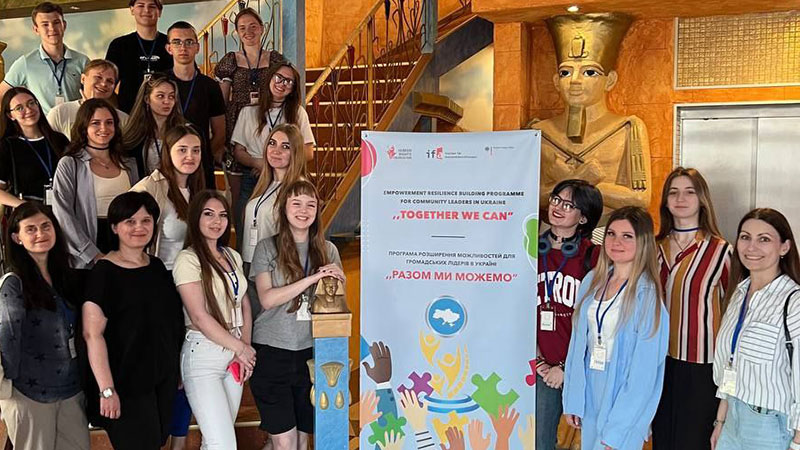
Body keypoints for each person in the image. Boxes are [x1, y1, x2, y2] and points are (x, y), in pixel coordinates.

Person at [82, 191, 184, 450]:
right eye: (130, 221)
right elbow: (92, 335)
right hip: (125, 384)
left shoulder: (157, 267)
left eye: (146, 220)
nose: (139, 227)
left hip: (161, 378)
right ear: (115, 227)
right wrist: (106, 390)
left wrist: (177, 369)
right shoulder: (104, 272)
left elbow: (169, 322)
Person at [563, 206, 669, 450]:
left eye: (627, 236)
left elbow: (644, 375)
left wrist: (618, 431)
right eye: (611, 234)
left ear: (642, 242)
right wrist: (573, 398)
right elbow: (577, 345)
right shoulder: (592, 281)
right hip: (590, 385)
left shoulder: (647, 295)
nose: (616, 242)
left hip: (622, 392)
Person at [251, 180, 345, 450]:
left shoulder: (328, 250)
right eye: (296, 203)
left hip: (313, 353)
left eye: (310, 205)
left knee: (303, 441)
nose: (303, 211)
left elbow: (336, 301)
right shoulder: (267, 248)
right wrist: (311, 279)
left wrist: (338, 281)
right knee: (285, 442)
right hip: (273, 351)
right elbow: (267, 299)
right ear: (284, 208)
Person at [130, 123, 203, 450]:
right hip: (160, 288)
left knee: (186, 370)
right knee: (164, 368)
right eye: (182, 150)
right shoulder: (151, 187)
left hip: (192, 286)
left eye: (196, 150)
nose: (189, 156)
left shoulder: (198, 189)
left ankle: (179, 442)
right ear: (167, 153)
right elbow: (128, 229)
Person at [652, 167, 732, 450]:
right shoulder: (653, 248)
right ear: (665, 201)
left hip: (701, 365)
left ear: (702, 199)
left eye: (689, 192)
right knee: (662, 439)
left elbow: (734, 309)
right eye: (673, 192)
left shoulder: (721, 251)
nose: (680, 199)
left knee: (693, 442)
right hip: (657, 362)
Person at [0, 202, 89, 450]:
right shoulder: (13, 283)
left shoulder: (66, 277)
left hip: (71, 389)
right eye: (31, 229)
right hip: (29, 393)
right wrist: (10, 388)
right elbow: (7, 339)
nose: (40, 233)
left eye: (46, 226)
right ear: (17, 238)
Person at [711, 208, 800, 450]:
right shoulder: (738, 294)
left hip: (770, 427)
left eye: (764, 239)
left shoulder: (793, 302)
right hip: (732, 419)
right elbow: (731, 363)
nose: (751, 247)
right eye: (745, 237)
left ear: (784, 247)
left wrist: (797, 442)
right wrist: (721, 421)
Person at [173, 190, 255, 449]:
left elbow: (244, 303)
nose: (216, 221)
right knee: (223, 444)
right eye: (208, 214)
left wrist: (244, 347)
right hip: (203, 355)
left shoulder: (232, 255)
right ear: (195, 218)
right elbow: (199, 316)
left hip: (234, 351)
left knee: (216, 442)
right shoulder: (188, 259)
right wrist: (240, 348)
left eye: (222, 215)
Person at [535, 179, 602, 450]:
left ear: (583, 217)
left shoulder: (594, 257)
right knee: (539, 441)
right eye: (556, 199)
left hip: (581, 367)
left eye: (569, 205)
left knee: (591, 439)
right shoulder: (530, 249)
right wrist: (538, 360)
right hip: (541, 367)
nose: (558, 207)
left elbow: (599, 320)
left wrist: (565, 367)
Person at [214, 7, 286, 227]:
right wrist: (220, 140)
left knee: (272, 194)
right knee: (238, 196)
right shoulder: (230, 61)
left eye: (253, 26)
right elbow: (220, 103)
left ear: (262, 28)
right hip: (237, 131)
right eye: (243, 28)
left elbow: (284, 92)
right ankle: (242, 240)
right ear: (236, 32)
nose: (248, 31)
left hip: (268, 128)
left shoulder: (275, 59)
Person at [231, 62, 314, 248]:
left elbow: (308, 152)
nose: (282, 83)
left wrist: (276, 165)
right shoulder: (248, 111)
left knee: (281, 234)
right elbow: (238, 152)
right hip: (253, 179)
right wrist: (260, 164)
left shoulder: (298, 113)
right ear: (269, 78)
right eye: (278, 78)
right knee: (246, 232)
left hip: (286, 180)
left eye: (289, 81)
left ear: (293, 88)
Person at [52, 98, 139, 269]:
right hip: (87, 251)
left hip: (126, 244)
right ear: (83, 127)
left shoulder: (129, 164)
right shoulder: (70, 163)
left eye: (109, 122)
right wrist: (92, 253)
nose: (104, 128)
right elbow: (62, 213)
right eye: (95, 123)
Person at [241, 123, 308, 317]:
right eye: (272, 143)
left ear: (295, 152)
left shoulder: (299, 188)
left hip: (274, 268)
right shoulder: (266, 183)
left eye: (285, 146)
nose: (276, 151)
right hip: (250, 261)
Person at [0, 2, 89, 115]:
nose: (52, 28)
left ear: (64, 25)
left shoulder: (83, 61)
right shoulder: (25, 63)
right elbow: (1, 94)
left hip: (76, 124)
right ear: (36, 30)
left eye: (56, 22)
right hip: (43, 125)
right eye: (45, 24)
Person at [166, 21, 226, 188]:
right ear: (169, 48)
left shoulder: (210, 86)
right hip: (166, 165)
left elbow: (220, 132)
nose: (183, 47)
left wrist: (201, 155)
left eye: (189, 42)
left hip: (200, 167)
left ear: (197, 47)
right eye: (177, 42)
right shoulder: (160, 83)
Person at [0, 87, 68, 207]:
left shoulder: (59, 140)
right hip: (29, 213)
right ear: (10, 115)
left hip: (63, 209)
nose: (28, 110)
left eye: (31, 103)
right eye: (19, 108)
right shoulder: (7, 146)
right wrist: (26, 207)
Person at [105, 0, 173, 113]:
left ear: (160, 12)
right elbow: (106, 86)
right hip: (129, 116)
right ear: (132, 9)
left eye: (152, 6)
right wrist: (120, 113)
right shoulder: (119, 45)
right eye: (141, 5)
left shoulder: (171, 45)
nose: (146, 10)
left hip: (166, 115)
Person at [122, 73, 184, 178]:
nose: (167, 101)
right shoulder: (135, 134)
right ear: (147, 99)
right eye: (160, 96)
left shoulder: (183, 131)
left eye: (171, 96)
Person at [47, 59, 130, 138]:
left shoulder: (123, 119)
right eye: (98, 77)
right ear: (83, 79)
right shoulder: (59, 113)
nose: (104, 84)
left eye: (110, 81)